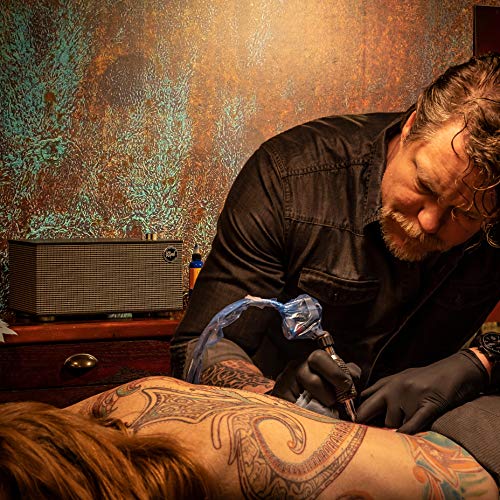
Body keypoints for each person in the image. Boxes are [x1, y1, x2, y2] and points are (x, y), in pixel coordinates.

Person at [171, 52, 499, 475]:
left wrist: (482, 363)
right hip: (273, 443)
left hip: (414, 452)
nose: (429, 222)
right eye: (424, 185)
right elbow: (199, 344)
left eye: (465, 215)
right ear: (412, 125)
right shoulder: (290, 177)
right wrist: (269, 394)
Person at [0, 376, 497, 498]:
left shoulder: (222, 454)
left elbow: (467, 487)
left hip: (477, 446)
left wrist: (481, 360)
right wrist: (269, 389)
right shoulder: (118, 402)